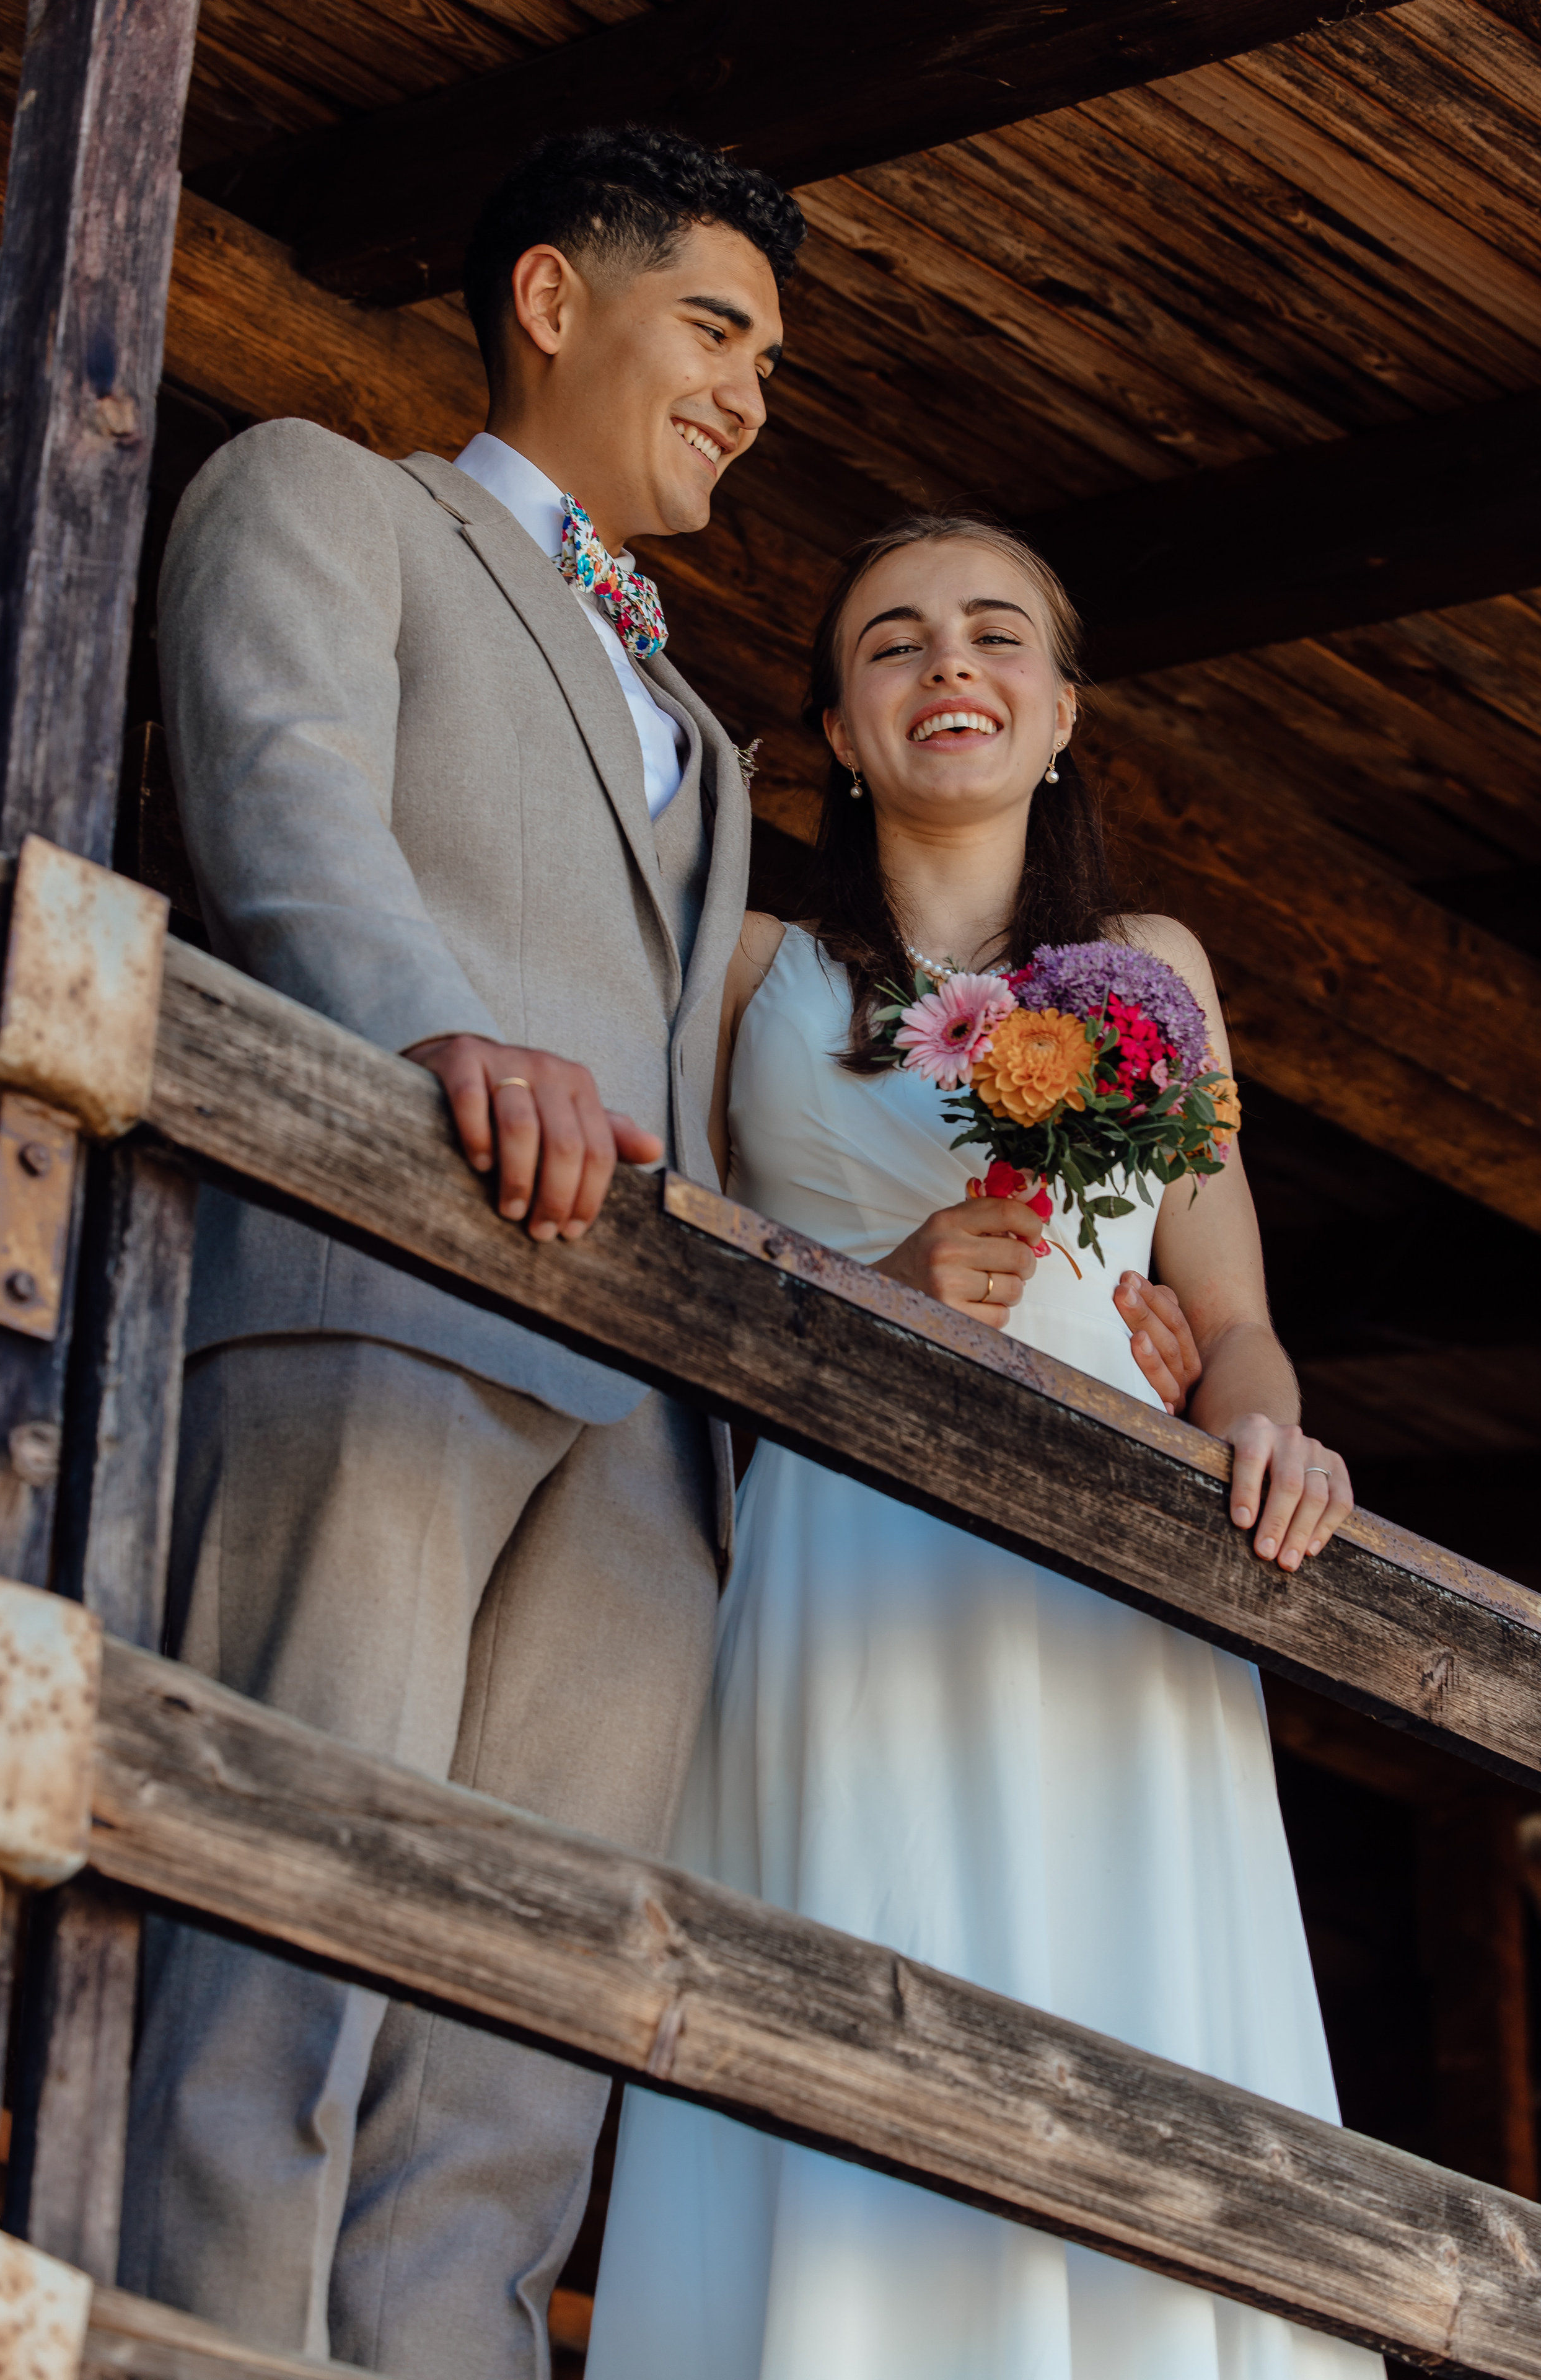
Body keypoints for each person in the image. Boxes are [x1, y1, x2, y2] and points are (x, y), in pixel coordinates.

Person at [120, 128, 806, 2379]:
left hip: (644, 1440)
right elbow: (284, 788)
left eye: (770, 360)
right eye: (716, 326)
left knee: (519, 2044)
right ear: (547, 294)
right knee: (285, 1928)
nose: (749, 393)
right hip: (385, 1288)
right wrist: (442, 1036)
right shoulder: (329, 495)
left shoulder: (704, 732)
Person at [585, 512, 1378, 2380]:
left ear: (1062, 712)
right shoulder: (751, 964)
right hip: (849, 1553)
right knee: (876, 1982)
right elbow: (671, 1281)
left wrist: (1274, 1440)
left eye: (996, 636)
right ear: (841, 736)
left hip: (1113, 1584)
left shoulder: (1151, 965)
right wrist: (878, 1277)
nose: (952, 667)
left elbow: (1234, 1316)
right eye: (894, 645)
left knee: (1132, 2025)